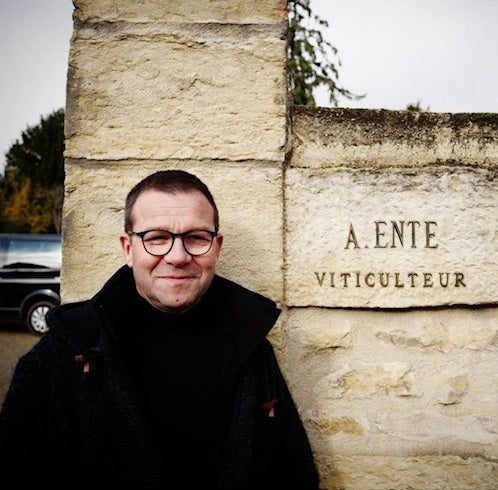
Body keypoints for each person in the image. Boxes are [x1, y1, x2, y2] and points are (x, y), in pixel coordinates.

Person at [0, 170, 318, 489]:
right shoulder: (67, 352)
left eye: (196, 237)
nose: (177, 257)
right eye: (157, 238)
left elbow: (294, 475)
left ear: (217, 247)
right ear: (128, 248)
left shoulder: (252, 350)